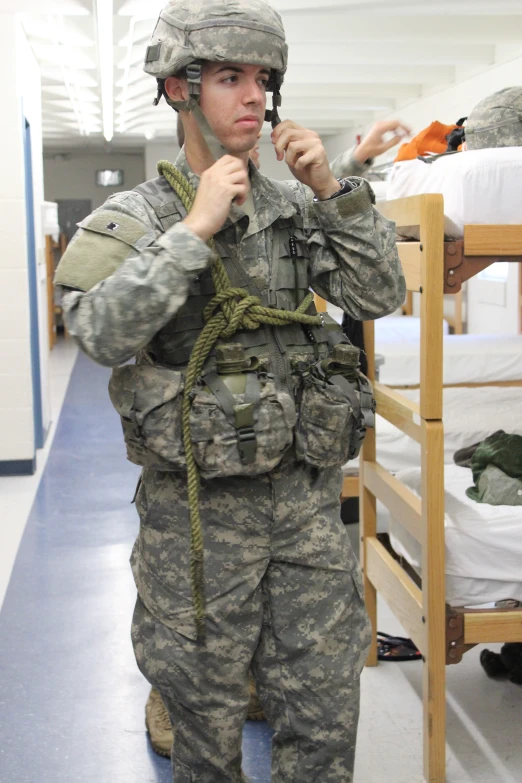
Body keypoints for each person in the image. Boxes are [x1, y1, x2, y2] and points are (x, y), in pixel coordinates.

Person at [54, 1, 405, 781]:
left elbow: (381, 294)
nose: (253, 97)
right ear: (179, 90)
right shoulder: (133, 218)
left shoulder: (293, 211)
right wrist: (192, 233)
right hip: (198, 526)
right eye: (227, 78)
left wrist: (333, 189)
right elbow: (99, 331)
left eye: (262, 80)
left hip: (309, 515)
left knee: (323, 715)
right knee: (203, 738)